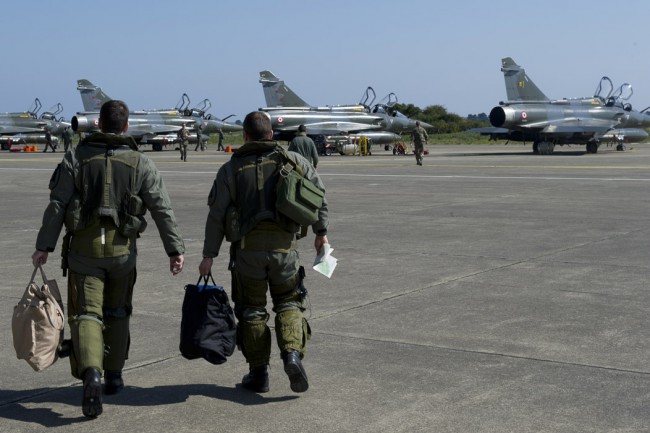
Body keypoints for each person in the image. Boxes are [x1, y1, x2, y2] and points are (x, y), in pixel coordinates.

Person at [31, 100, 185, 418]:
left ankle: (92, 374)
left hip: (84, 252)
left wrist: (43, 246)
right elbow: (161, 208)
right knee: (117, 312)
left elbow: (57, 205)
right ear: (126, 126)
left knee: (86, 315)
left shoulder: (76, 157)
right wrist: (175, 249)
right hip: (121, 252)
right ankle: (113, 377)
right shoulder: (141, 162)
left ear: (98, 124)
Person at [199, 111, 329, 394]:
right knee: (289, 303)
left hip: (247, 255)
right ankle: (292, 355)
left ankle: (259, 374)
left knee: (252, 312)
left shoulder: (230, 170)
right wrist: (322, 233)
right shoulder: (295, 162)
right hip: (285, 252)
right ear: (271, 135)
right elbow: (318, 198)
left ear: (245, 136)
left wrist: (209, 256)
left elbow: (217, 216)